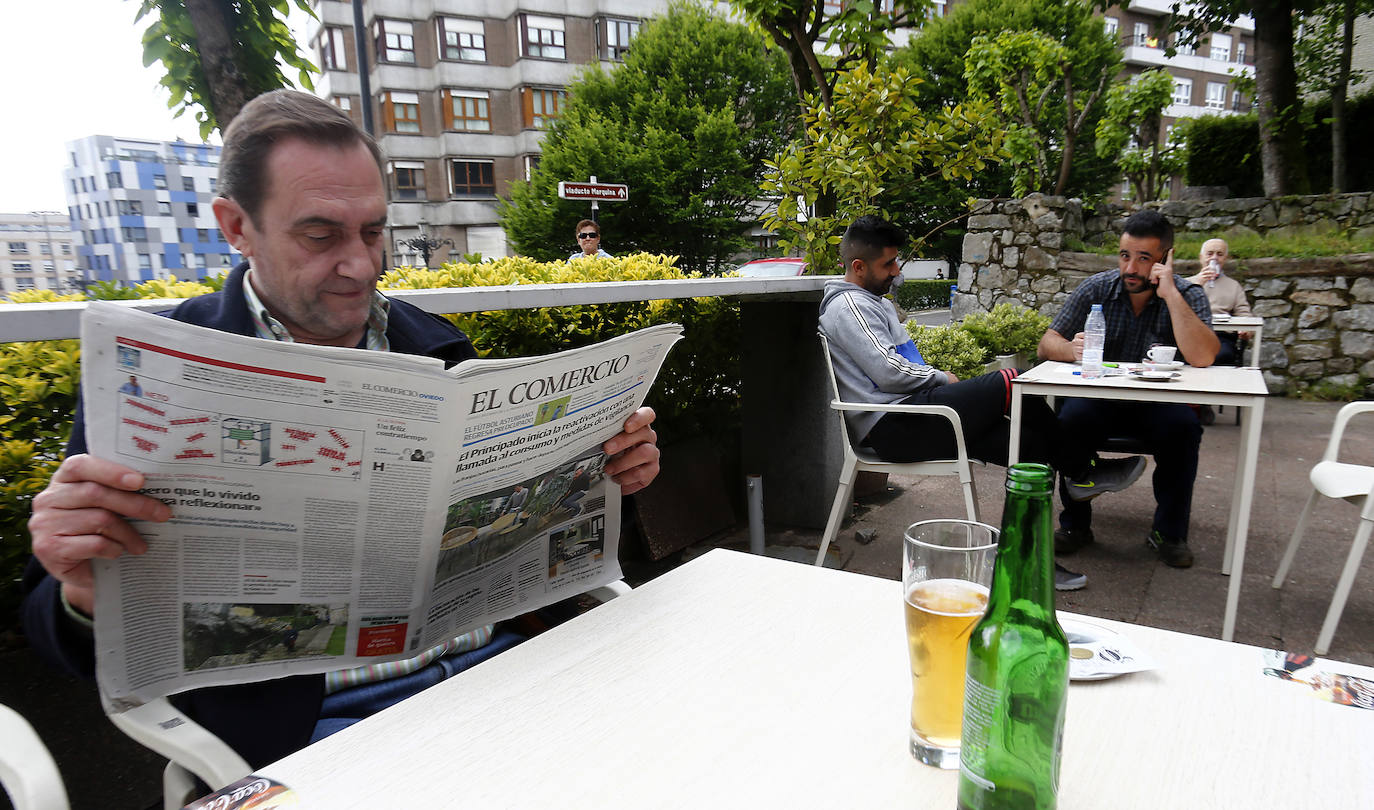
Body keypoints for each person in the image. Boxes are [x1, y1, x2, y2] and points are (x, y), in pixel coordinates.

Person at [22, 90, 661, 770]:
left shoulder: (437, 348)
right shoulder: (150, 373)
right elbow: (51, 624)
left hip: (503, 680)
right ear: (236, 226)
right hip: (315, 736)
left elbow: (533, 535)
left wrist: (614, 474)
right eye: (321, 235)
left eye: (373, 232)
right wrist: (83, 593)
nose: (360, 265)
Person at [817, 215, 1098, 591]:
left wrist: (941, 383)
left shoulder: (872, 302)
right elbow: (888, 371)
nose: (897, 272)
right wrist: (942, 378)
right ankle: (1083, 470)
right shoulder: (848, 306)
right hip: (894, 426)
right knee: (1011, 382)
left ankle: (1025, 560)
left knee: (1032, 449)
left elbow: (899, 367)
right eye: (889, 264)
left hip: (919, 413)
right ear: (858, 266)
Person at [1037, 209, 1219, 568]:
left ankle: (1169, 533)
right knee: (1070, 418)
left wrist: (1170, 294)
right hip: (1100, 401)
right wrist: (1071, 350)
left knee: (1183, 429)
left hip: (1159, 405)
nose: (1131, 268)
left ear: (1165, 258)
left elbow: (1203, 358)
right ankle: (1074, 526)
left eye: (1144, 259)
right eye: (1125, 256)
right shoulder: (1097, 288)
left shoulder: (1187, 294)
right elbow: (1047, 343)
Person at [1186, 237, 1252, 365]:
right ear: (1201, 257)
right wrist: (1198, 283)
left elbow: (1244, 313)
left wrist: (1245, 331)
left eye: (1219, 254)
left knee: (1223, 355)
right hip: (1190, 335)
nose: (1214, 258)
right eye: (1210, 254)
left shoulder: (1233, 286)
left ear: (1225, 259)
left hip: (1220, 337)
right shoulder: (1187, 283)